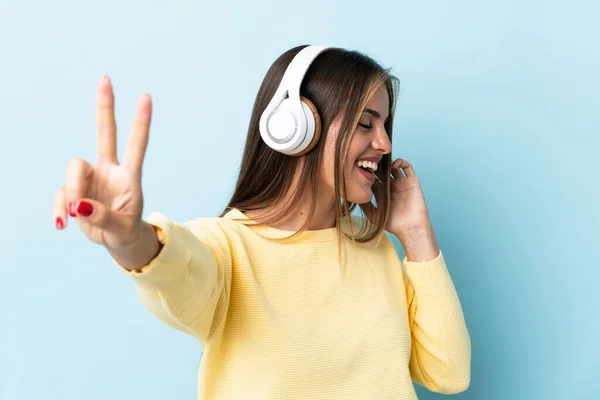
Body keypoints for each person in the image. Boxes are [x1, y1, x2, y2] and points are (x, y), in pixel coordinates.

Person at [53, 45, 471, 399]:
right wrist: (128, 239)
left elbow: (448, 372)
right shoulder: (227, 248)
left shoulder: (373, 246)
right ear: (296, 126)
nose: (383, 143)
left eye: (384, 124)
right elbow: (176, 269)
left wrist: (417, 235)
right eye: (366, 123)